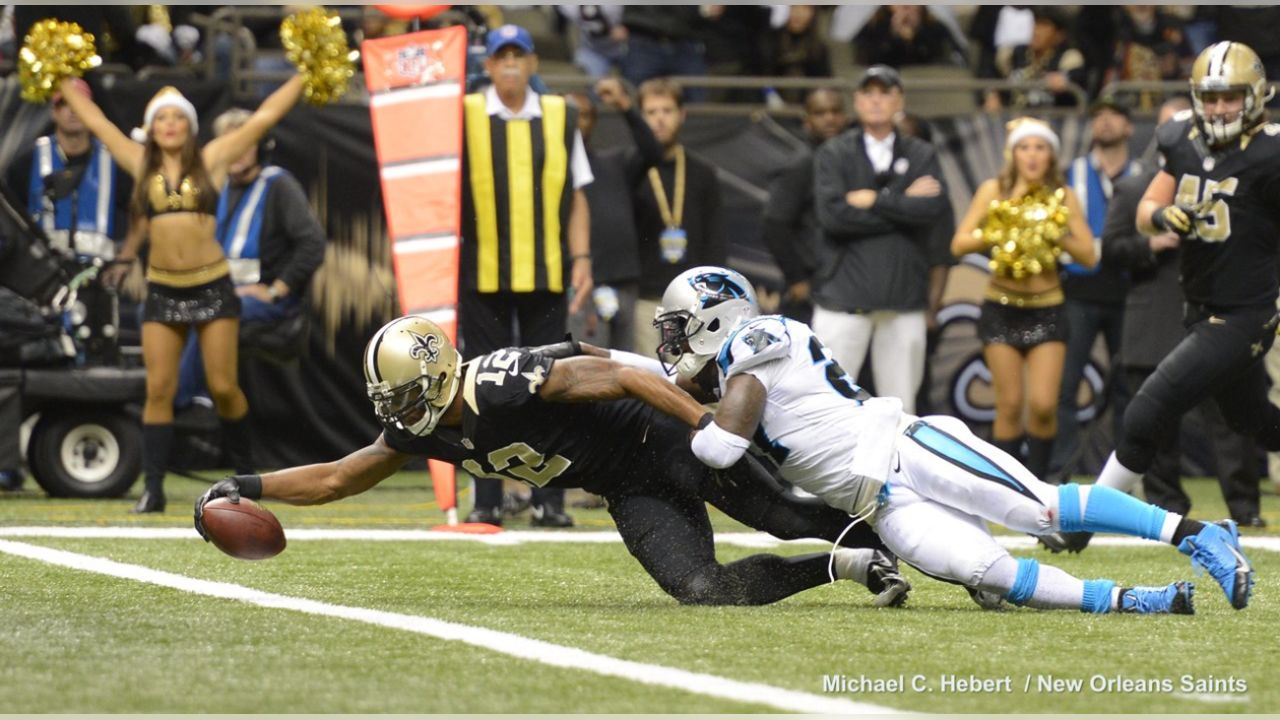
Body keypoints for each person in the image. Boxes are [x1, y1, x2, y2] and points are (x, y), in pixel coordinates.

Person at [645, 265, 1256, 613]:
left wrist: (678, 399)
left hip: (905, 448)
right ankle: (1137, 600)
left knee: (1042, 509)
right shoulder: (732, 368)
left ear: (717, 316)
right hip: (879, 505)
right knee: (989, 571)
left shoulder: (754, 340)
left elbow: (720, 447)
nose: (672, 344)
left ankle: (1200, 535)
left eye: (678, 329)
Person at [194, 315, 910, 608]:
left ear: (441, 374)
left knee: (785, 515)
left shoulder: (500, 382)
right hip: (624, 485)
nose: (399, 412)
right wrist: (248, 485)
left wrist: (708, 425)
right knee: (701, 589)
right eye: (392, 399)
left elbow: (625, 376)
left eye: (408, 395)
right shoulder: (425, 429)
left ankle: (932, 545)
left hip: (659, 441)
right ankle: (847, 566)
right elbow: (337, 476)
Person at [57, 71, 306, 513]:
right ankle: (153, 489)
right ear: (151, 127)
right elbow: (97, 123)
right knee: (160, 389)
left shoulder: (211, 159)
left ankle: (245, 479)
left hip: (212, 285)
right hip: (163, 289)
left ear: (190, 125)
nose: (169, 124)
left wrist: (306, 73)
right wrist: (61, 77)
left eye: (177, 117)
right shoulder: (139, 162)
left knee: (225, 386)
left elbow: (265, 116)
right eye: (161, 118)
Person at [1092, 42, 1280, 534]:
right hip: (1199, 308)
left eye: (1230, 97)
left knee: (1147, 411)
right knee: (1255, 421)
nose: (1218, 109)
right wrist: (1160, 215)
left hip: (1245, 314)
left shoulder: (1271, 151)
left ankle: (1079, 522)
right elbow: (1144, 207)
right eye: (1210, 98)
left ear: (1256, 96)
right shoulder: (1179, 137)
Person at [458, 25, 594, 528]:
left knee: (550, 385)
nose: (511, 63)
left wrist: (582, 259)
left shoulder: (561, 114)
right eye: (502, 56)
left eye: (520, 54)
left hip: (547, 269)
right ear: (489, 65)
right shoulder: (465, 113)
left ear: (533, 63)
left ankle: (549, 501)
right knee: (479, 386)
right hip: (481, 271)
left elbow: (578, 194)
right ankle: (487, 499)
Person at [950, 118, 1097, 483]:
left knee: (1044, 406)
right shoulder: (993, 191)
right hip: (1001, 307)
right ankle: (1005, 489)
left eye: (1040, 147)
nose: (1032, 155)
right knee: (1010, 405)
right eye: (1024, 147)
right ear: (1012, 154)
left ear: (1051, 155)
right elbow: (959, 243)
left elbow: (1089, 256)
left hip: (1047, 307)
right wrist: (1003, 226)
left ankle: (1039, 485)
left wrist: (1051, 227)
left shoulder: (1063, 196)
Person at [812, 65, 950, 415]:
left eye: (885, 92)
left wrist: (875, 199)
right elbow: (834, 217)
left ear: (899, 100)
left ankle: (898, 472)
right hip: (843, 298)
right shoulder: (833, 152)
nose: (876, 100)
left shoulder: (921, 153)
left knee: (902, 409)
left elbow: (931, 209)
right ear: (856, 101)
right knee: (826, 404)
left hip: (902, 299)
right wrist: (904, 203)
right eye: (868, 92)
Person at [172, 107, 326, 408]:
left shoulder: (279, 185)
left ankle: (179, 403)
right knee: (156, 309)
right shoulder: (217, 187)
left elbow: (313, 243)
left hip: (268, 302)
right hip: (219, 293)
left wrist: (275, 289)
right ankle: (184, 396)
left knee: (212, 312)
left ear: (261, 146)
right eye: (231, 143)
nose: (237, 151)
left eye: (246, 142)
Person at [1049, 98, 1142, 483]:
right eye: (1097, 115)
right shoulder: (1071, 174)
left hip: (1133, 291)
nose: (1104, 121)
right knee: (1065, 386)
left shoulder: (1145, 174)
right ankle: (1059, 475)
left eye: (1114, 114)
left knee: (1131, 391)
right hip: (1080, 291)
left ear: (1130, 127)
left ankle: (1126, 478)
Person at [596, 77, 723, 356]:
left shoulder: (702, 172)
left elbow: (714, 238)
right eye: (651, 113)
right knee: (648, 379)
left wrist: (712, 296)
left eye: (667, 111)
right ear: (641, 117)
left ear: (682, 114)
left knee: (689, 383)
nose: (660, 120)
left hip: (692, 299)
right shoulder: (626, 168)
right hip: (644, 296)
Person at [5, 79, 132, 262]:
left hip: (101, 277)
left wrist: (127, 258)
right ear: (53, 112)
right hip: (46, 279)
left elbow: (140, 213)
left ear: (92, 112)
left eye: (81, 104)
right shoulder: (25, 163)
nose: (73, 110)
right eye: (64, 103)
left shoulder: (115, 163)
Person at [760, 87, 847, 325]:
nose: (829, 118)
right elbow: (774, 224)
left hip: (845, 280)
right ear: (807, 120)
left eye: (835, 111)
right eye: (820, 113)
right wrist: (796, 278)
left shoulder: (847, 159)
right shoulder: (802, 163)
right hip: (812, 282)